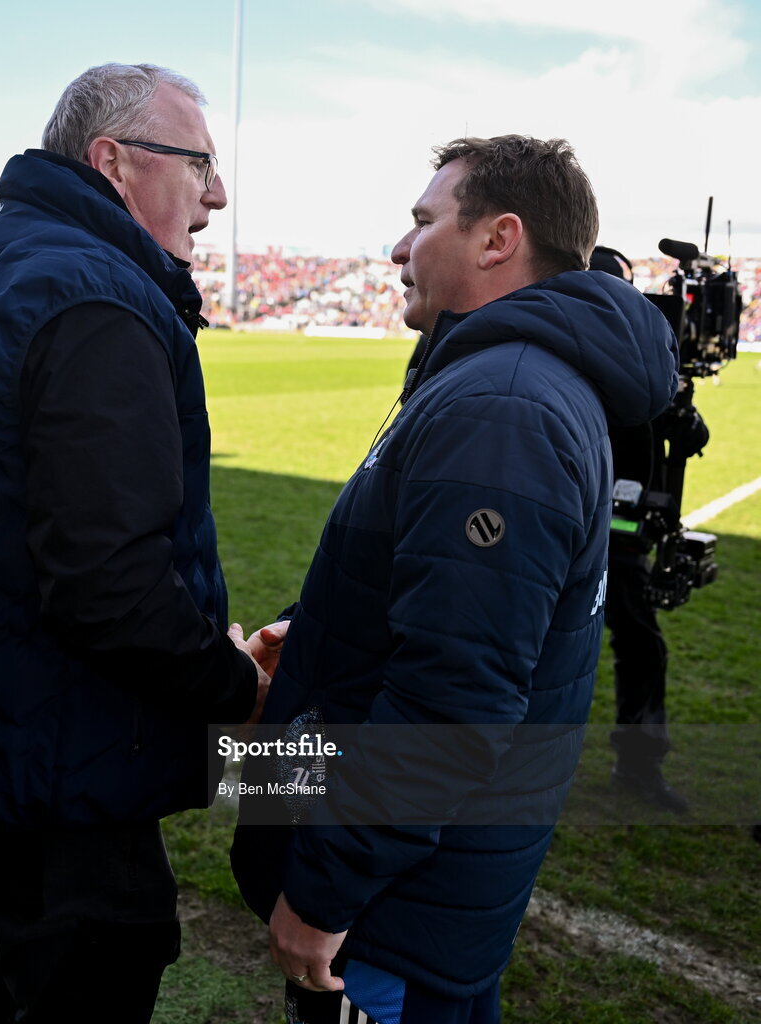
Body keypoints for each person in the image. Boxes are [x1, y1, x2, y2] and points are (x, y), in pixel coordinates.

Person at [0, 62, 269, 1023]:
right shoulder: (95, 295)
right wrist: (232, 684)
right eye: (198, 162)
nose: (217, 193)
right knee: (74, 981)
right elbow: (106, 583)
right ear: (112, 161)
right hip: (56, 763)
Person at [232, 135, 679, 1023]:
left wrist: (323, 896)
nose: (399, 249)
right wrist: (311, 632)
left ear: (496, 238)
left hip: (393, 915)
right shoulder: (495, 381)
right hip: (421, 894)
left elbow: (454, 697)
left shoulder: (501, 405)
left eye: (422, 221)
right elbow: (437, 618)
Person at [589, 245, 707, 814]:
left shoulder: (635, 361)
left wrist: (682, 409)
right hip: (597, 532)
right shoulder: (600, 359)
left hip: (621, 530)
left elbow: (680, 434)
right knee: (638, 647)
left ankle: (636, 765)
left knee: (641, 647)